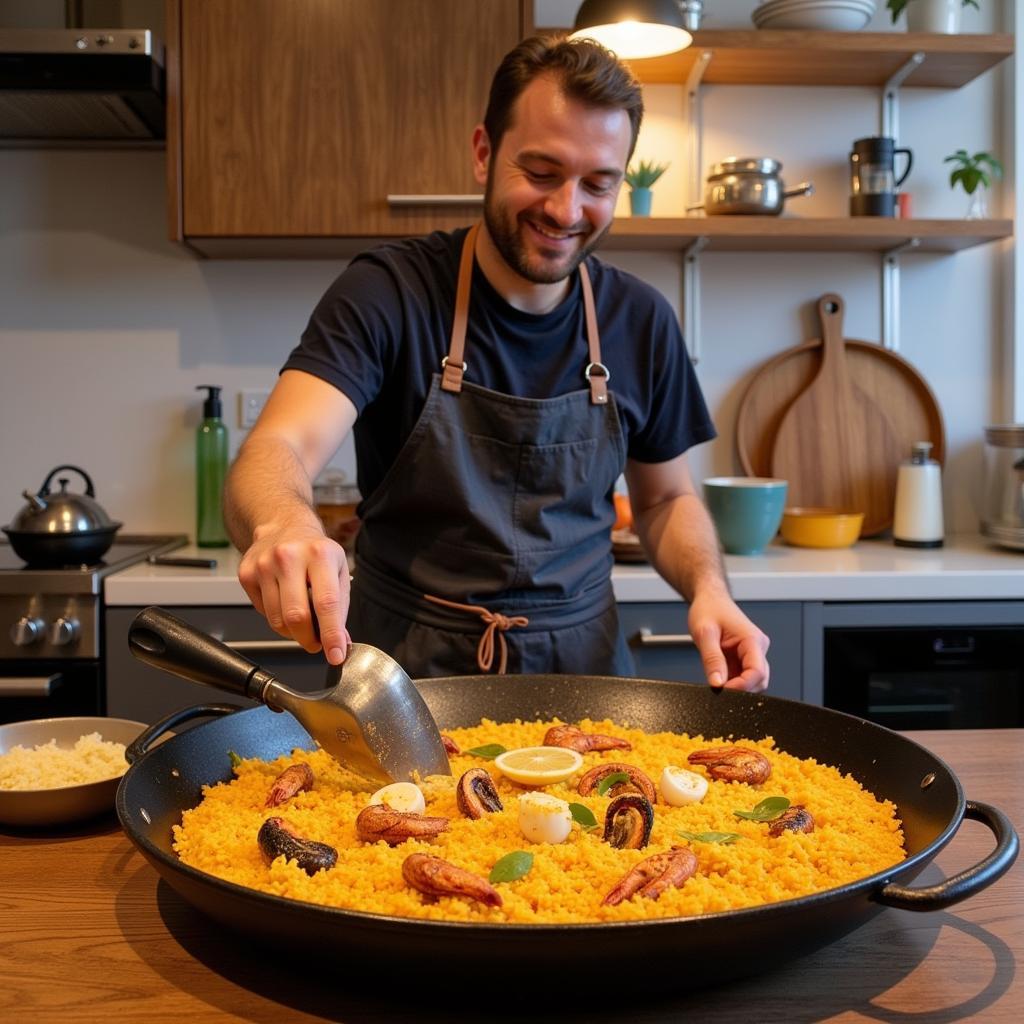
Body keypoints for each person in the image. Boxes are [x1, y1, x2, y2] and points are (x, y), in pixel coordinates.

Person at [224, 34, 770, 691]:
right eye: (541, 173)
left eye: (598, 184)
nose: (567, 210)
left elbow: (665, 499)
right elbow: (278, 445)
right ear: (484, 153)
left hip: (587, 672)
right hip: (408, 672)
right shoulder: (389, 292)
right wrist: (284, 523)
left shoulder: (640, 320)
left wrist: (708, 588)